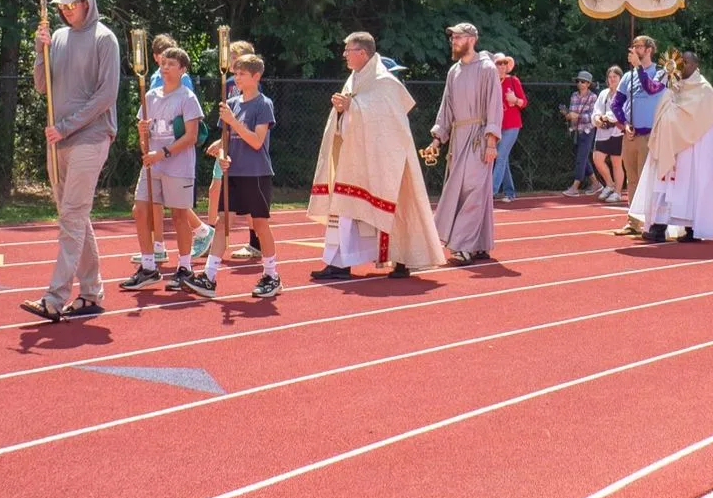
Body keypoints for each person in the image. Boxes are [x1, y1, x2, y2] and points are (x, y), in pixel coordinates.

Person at [21, 0, 121, 323]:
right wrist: (39, 51)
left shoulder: (105, 39)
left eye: (70, 5)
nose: (65, 11)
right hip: (59, 139)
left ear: (87, 2)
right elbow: (40, 87)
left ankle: (54, 297)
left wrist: (66, 126)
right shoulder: (58, 37)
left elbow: (106, 96)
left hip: (91, 137)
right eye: (61, 6)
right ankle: (91, 293)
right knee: (75, 215)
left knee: (71, 217)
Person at [310, 30, 444, 280]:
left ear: (362, 53)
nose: (344, 55)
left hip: (386, 159)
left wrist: (353, 107)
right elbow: (353, 111)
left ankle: (402, 259)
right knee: (344, 208)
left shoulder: (385, 81)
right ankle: (338, 264)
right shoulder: (355, 78)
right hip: (355, 157)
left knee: (397, 206)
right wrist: (342, 110)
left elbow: (389, 120)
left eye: (348, 50)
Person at [183, 53, 279, 300]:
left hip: (255, 173)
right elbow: (226, 139)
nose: (236, 78)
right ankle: (209, 276)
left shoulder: (263, 104)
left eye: (242, 74)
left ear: (256, 76)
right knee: (223, 223)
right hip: (233, 172)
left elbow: (257, 142)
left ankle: (271, 274)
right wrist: (223, 154)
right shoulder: (232, 104)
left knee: (259, 224)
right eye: (235, 73)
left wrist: (233, 122)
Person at [121, 45, 206, 292]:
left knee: (179, 216)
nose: (165, 67)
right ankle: (148, 267)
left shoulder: (187, 98)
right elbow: (144, 138)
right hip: (153, 166)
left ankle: (185, 267)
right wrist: (142, 136)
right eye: (163, 63)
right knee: (140, 211)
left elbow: (191, 136)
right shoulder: (150, 96)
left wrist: (164, 152)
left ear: (182, 70)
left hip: (178, 166)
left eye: (171, 64)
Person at [631, 52, 713, 243]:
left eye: (688, 62)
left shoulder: (704, 90)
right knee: (664, 186)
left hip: (692, 150)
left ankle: (692, 228)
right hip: (670, 145)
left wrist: (675, 121)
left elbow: (701, 123)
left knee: (689, 187)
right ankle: (658, 227)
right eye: (681, 62)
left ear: (696, 64)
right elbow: (660, 100)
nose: (683, 66)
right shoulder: (674, 85)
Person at [426, 23, 500, 264]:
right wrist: (437, 138)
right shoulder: (453, 71)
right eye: (453, 37)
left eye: (458, 37)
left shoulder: (487, 68)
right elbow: (446, 107)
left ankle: (463, 245)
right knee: (465, 191)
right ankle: (480, 244)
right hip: (458, 139)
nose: (453, 41)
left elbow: (494, 106)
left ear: (472, 39)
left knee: (474, 190)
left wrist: (491, 142)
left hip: (479, 138)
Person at [613, 37, 667, 234]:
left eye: (638, 47)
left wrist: (638, 68)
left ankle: (652, 222)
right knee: (633, 179)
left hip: (651, 135)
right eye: (633, 47)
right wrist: (624, 124)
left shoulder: (661, 73)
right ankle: (634, 222)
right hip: (631, 136)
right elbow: (616, 103)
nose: (634, 50)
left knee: (650, 180)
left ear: (650, 49)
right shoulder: (628, 76)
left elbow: (651, 89)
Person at [491, 53, 527, 202]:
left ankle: (490, 192)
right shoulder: (491, 82)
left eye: (504, 63)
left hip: (512, 126)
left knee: (499, 156)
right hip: (496, 127)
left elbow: (524, 102)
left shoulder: (513, 81)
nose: (502, 66)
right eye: (499, 63)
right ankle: (509, 192)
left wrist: (515, 100)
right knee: (502, 159)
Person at [562, 70, 601, 197]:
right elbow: (572, 113)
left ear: (589, 84)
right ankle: (596, 184)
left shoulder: (593, 97)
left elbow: (592, 116)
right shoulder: (574, 95)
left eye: (583, 81)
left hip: (588, 131)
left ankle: (575, 186)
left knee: (581, 159)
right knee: (583, 158)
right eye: (578, 81)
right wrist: (568, 115)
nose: (580, 83)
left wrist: (576, 116)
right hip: (576, 131)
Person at [592, 64, 627, 203]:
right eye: (610, 77)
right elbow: (596, 110)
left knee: (616, 162)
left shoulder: (623, 94)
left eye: (615, 77)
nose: (612, 80)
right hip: (602, 133)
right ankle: (610, 184)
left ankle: (618, 192)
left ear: (620, 79)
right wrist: (597, 119)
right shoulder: (603, 93)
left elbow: (622, 112)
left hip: (617, 132)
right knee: (597, 158)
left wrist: (608, 117)